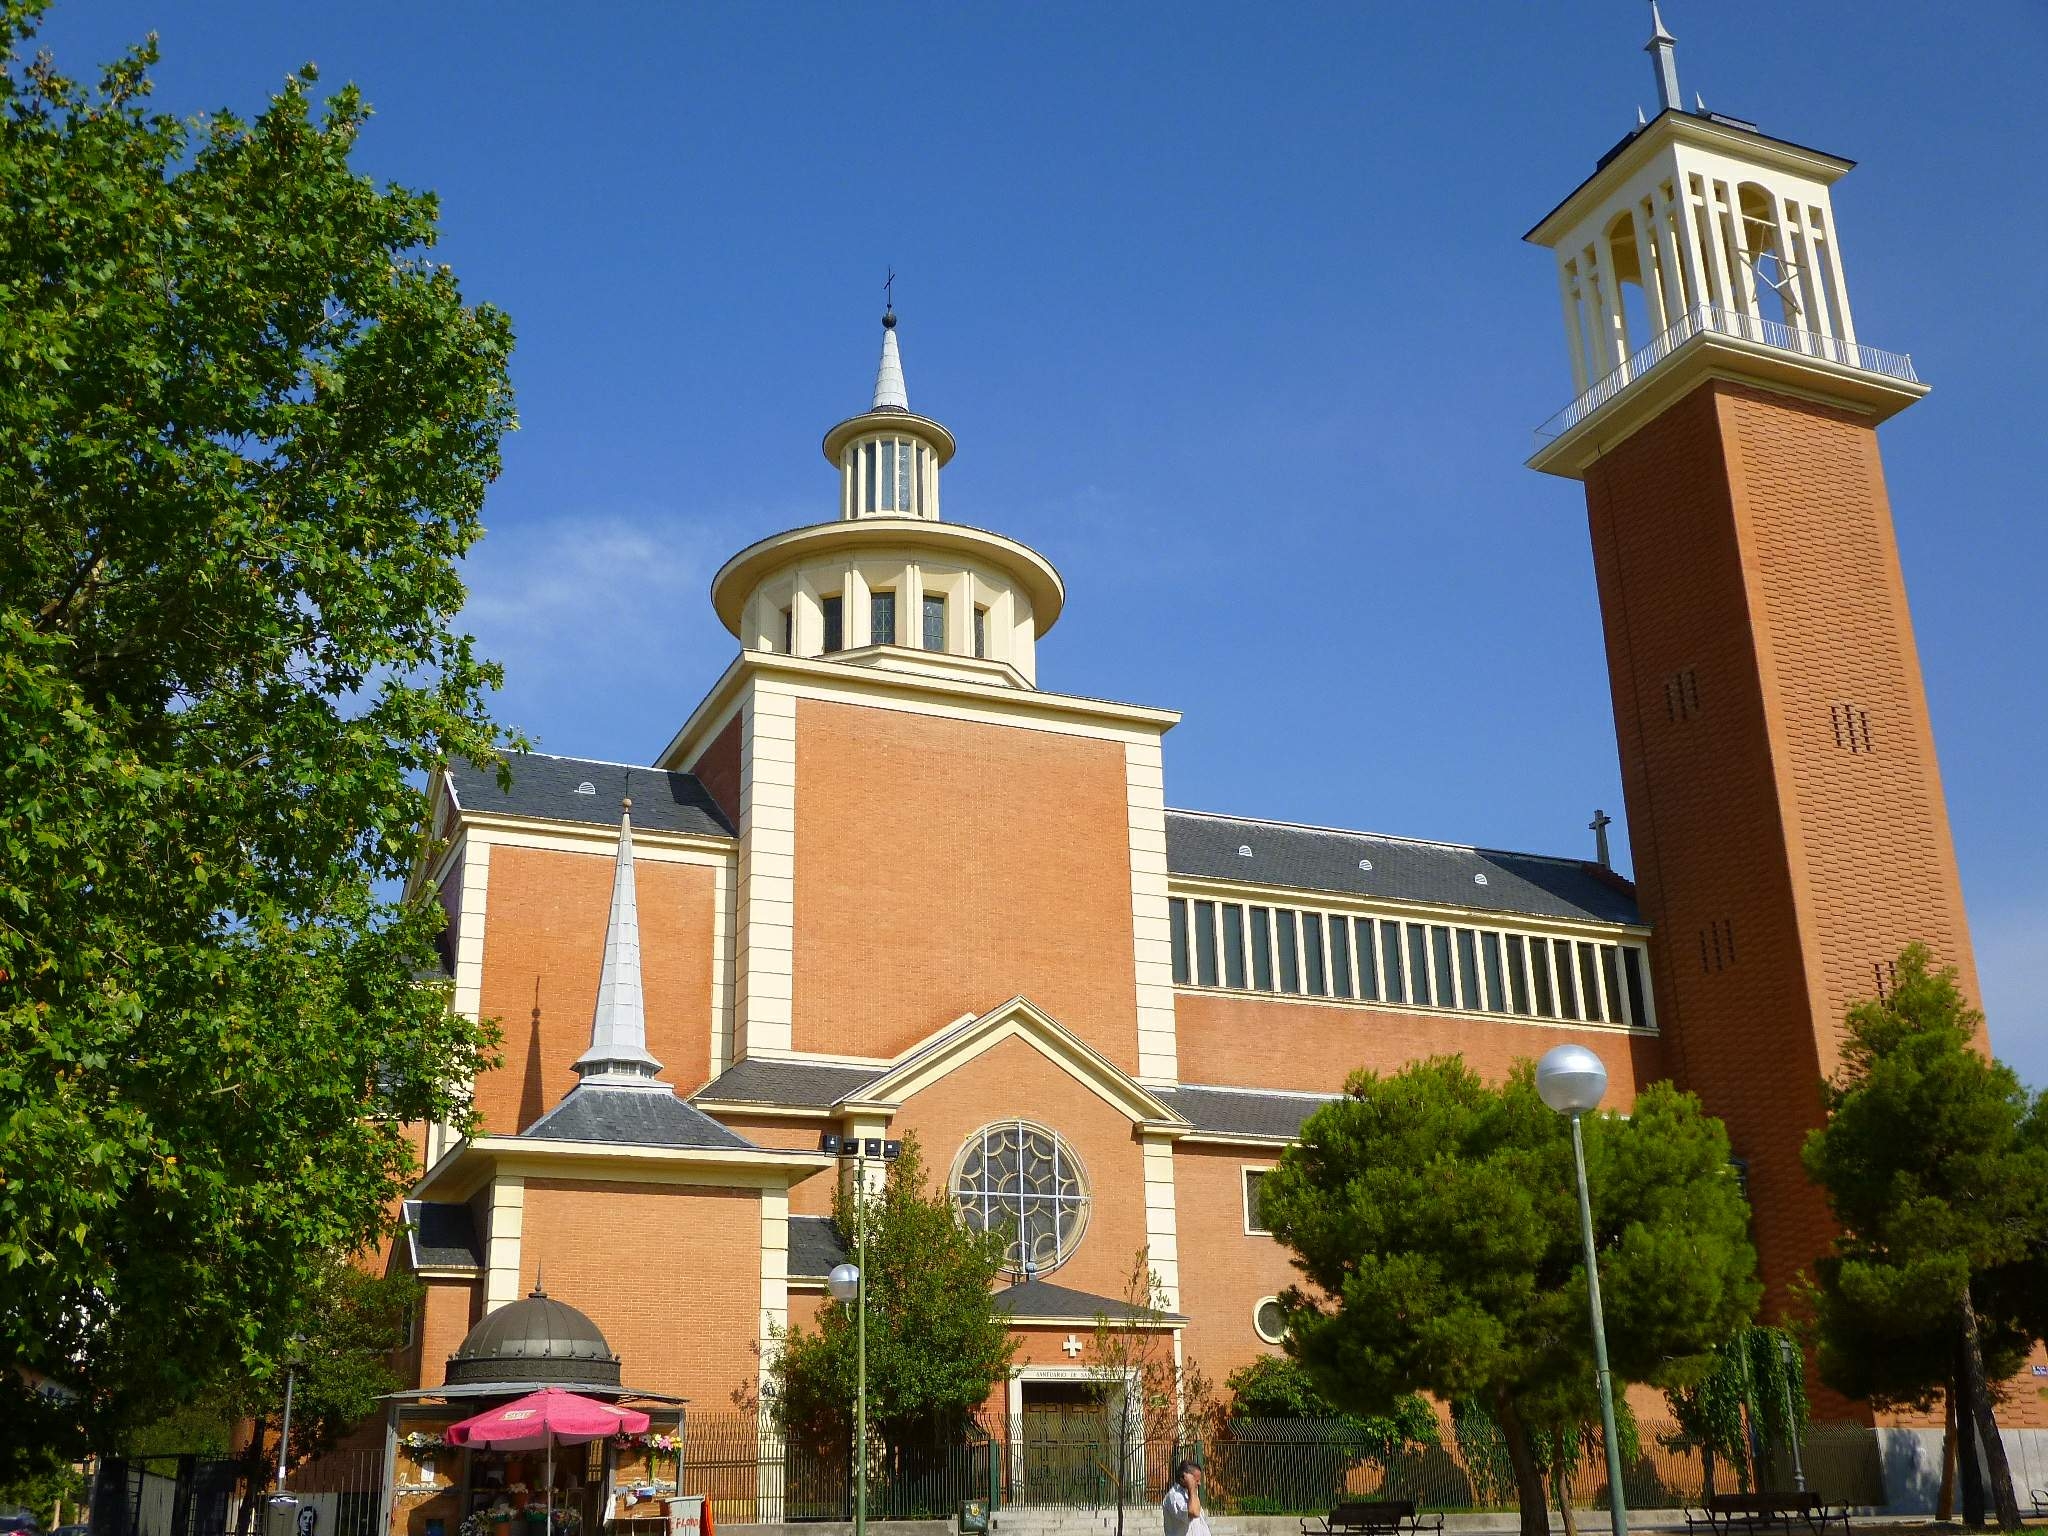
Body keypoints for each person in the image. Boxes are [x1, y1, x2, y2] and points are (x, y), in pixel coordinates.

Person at [1161, 1461, 1209, 1536]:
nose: (1199, 1483)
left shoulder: (1189, 1494)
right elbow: (1194, 1512)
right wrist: (1191, 1486)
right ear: (1184, 1478)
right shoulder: (1174, 1497)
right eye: (1196, 1480)